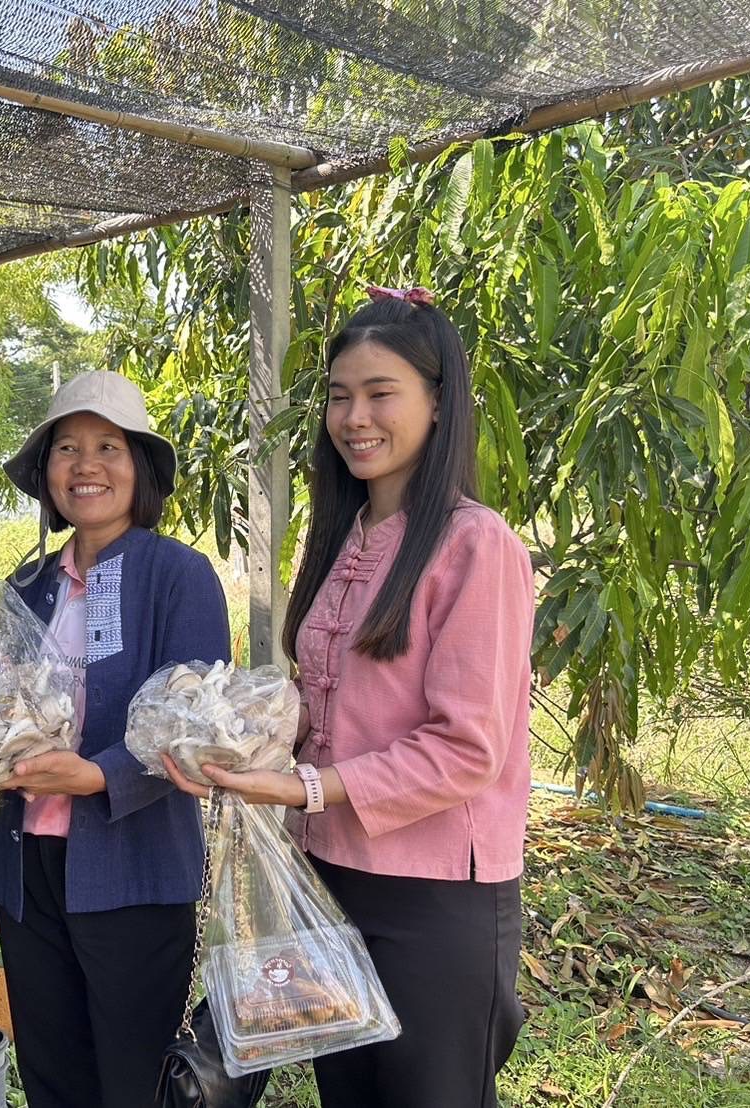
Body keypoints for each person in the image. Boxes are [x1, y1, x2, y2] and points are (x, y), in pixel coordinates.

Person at [166, 287, 534, 1108]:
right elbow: (327, 703)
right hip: (330, 873)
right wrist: (241, 740)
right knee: (351, 1093)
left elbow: (466, 747)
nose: (353, 417)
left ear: (437, 405)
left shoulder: (477, 544)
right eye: (338, 396)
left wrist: (297, 786)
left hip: (436, 894)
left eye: (379, 394)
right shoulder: (343, 538)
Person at [0, 370, 231, 1108]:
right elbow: (2, 705)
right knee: (53, 1071)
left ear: (140, 468)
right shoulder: (28, 585)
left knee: (133, 1077)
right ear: (45, 472)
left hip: (134, 867)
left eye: (107, 447)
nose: (84, 465)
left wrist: (96, 777)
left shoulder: (177, 576)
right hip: (28, 869)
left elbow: (195, 726)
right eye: (66, 448)